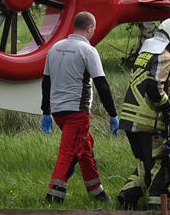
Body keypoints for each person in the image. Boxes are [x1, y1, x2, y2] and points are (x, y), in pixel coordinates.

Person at [40, 11, 118, 203]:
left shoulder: (55, 48)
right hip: (78, 113)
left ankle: (97, 191)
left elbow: (46, 83)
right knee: (69, 153)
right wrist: (113, 114)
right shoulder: (88, 50)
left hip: (58, 113)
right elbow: (101, 84)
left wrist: (46, 111)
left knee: (84, 148)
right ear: (89, 28)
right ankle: (53, 197)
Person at [116, 17, 170, 210]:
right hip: (147, 123)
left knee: (144, 163)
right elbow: (154, 88)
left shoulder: (145, 52)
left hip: (130, 121)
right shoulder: (164, 56)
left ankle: (127, 196)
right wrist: (168, 111)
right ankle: (157, 209)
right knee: (159, 165)